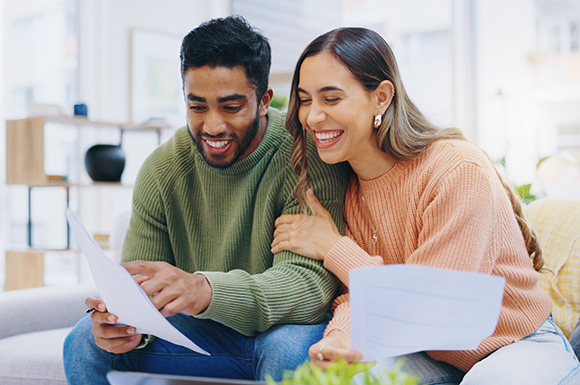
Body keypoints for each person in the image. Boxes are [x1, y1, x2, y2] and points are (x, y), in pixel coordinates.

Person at [271, 27, 580, 384]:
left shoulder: (455, 170)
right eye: (305, 99)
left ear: (382, 97)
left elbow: (429, 303)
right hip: (431, 353)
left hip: (516, 345)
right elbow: (361, 298)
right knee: (345, 379)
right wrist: (341, 338)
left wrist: (335, 248)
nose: (311, 117)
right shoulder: (348, 188)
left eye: (332, 98)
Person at [63, 16, 349, 384]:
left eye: (231, 107)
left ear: (263, 101)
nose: (213, 126)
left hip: (279, 332)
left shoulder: (302, 155)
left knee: (287, 351)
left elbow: (308, 289)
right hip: (200, 336)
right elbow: (139, 287)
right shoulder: (162, 170)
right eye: (197, 107)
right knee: (82, 342)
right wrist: (126, 325)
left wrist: (206, 290)